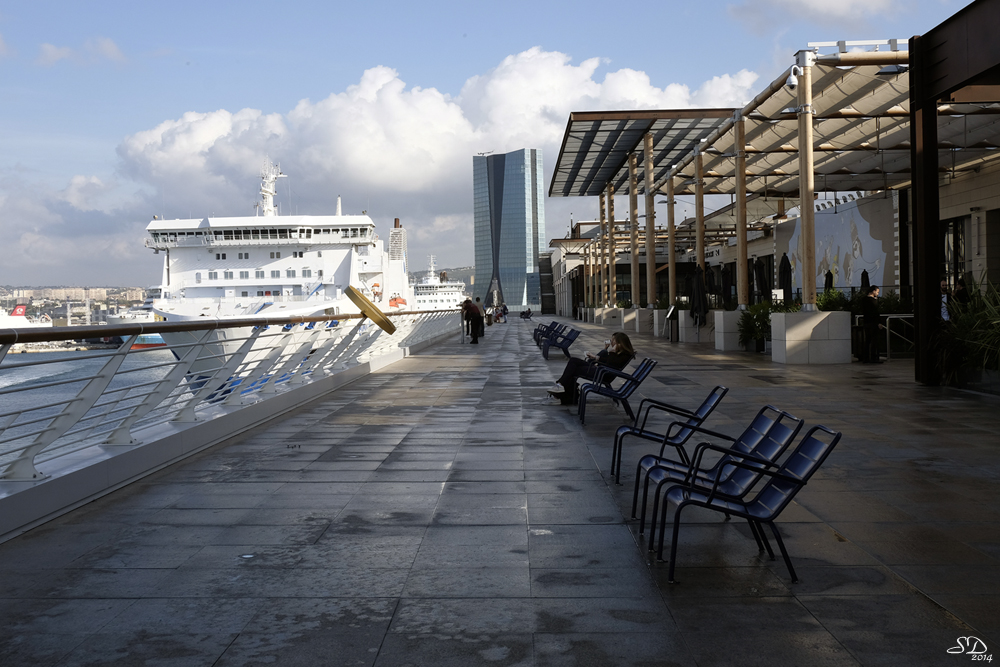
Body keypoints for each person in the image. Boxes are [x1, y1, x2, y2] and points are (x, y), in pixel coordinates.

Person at [544, 332, 636, 406]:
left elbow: (610, 364)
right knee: (573, 361)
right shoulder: (619, 353)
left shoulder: (623, 355)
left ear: (620, 343)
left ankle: (559, 391)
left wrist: (611, 352)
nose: (612, 343)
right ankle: (560, 390)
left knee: (573, 368)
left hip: (602, 374)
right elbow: (607, 362)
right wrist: (604, 352)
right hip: (600, 370)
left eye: (613, 341)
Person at [861, 285, 885, 364]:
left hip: (866, 322)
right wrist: (879, 322)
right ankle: (874, 357)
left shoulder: (864, 300)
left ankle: (866, 358)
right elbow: (875, 312)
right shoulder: (873, 301)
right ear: (873, 291)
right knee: (874, 341)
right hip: (873, 323)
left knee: (867, 341)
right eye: (877, 292)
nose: (878, 294)